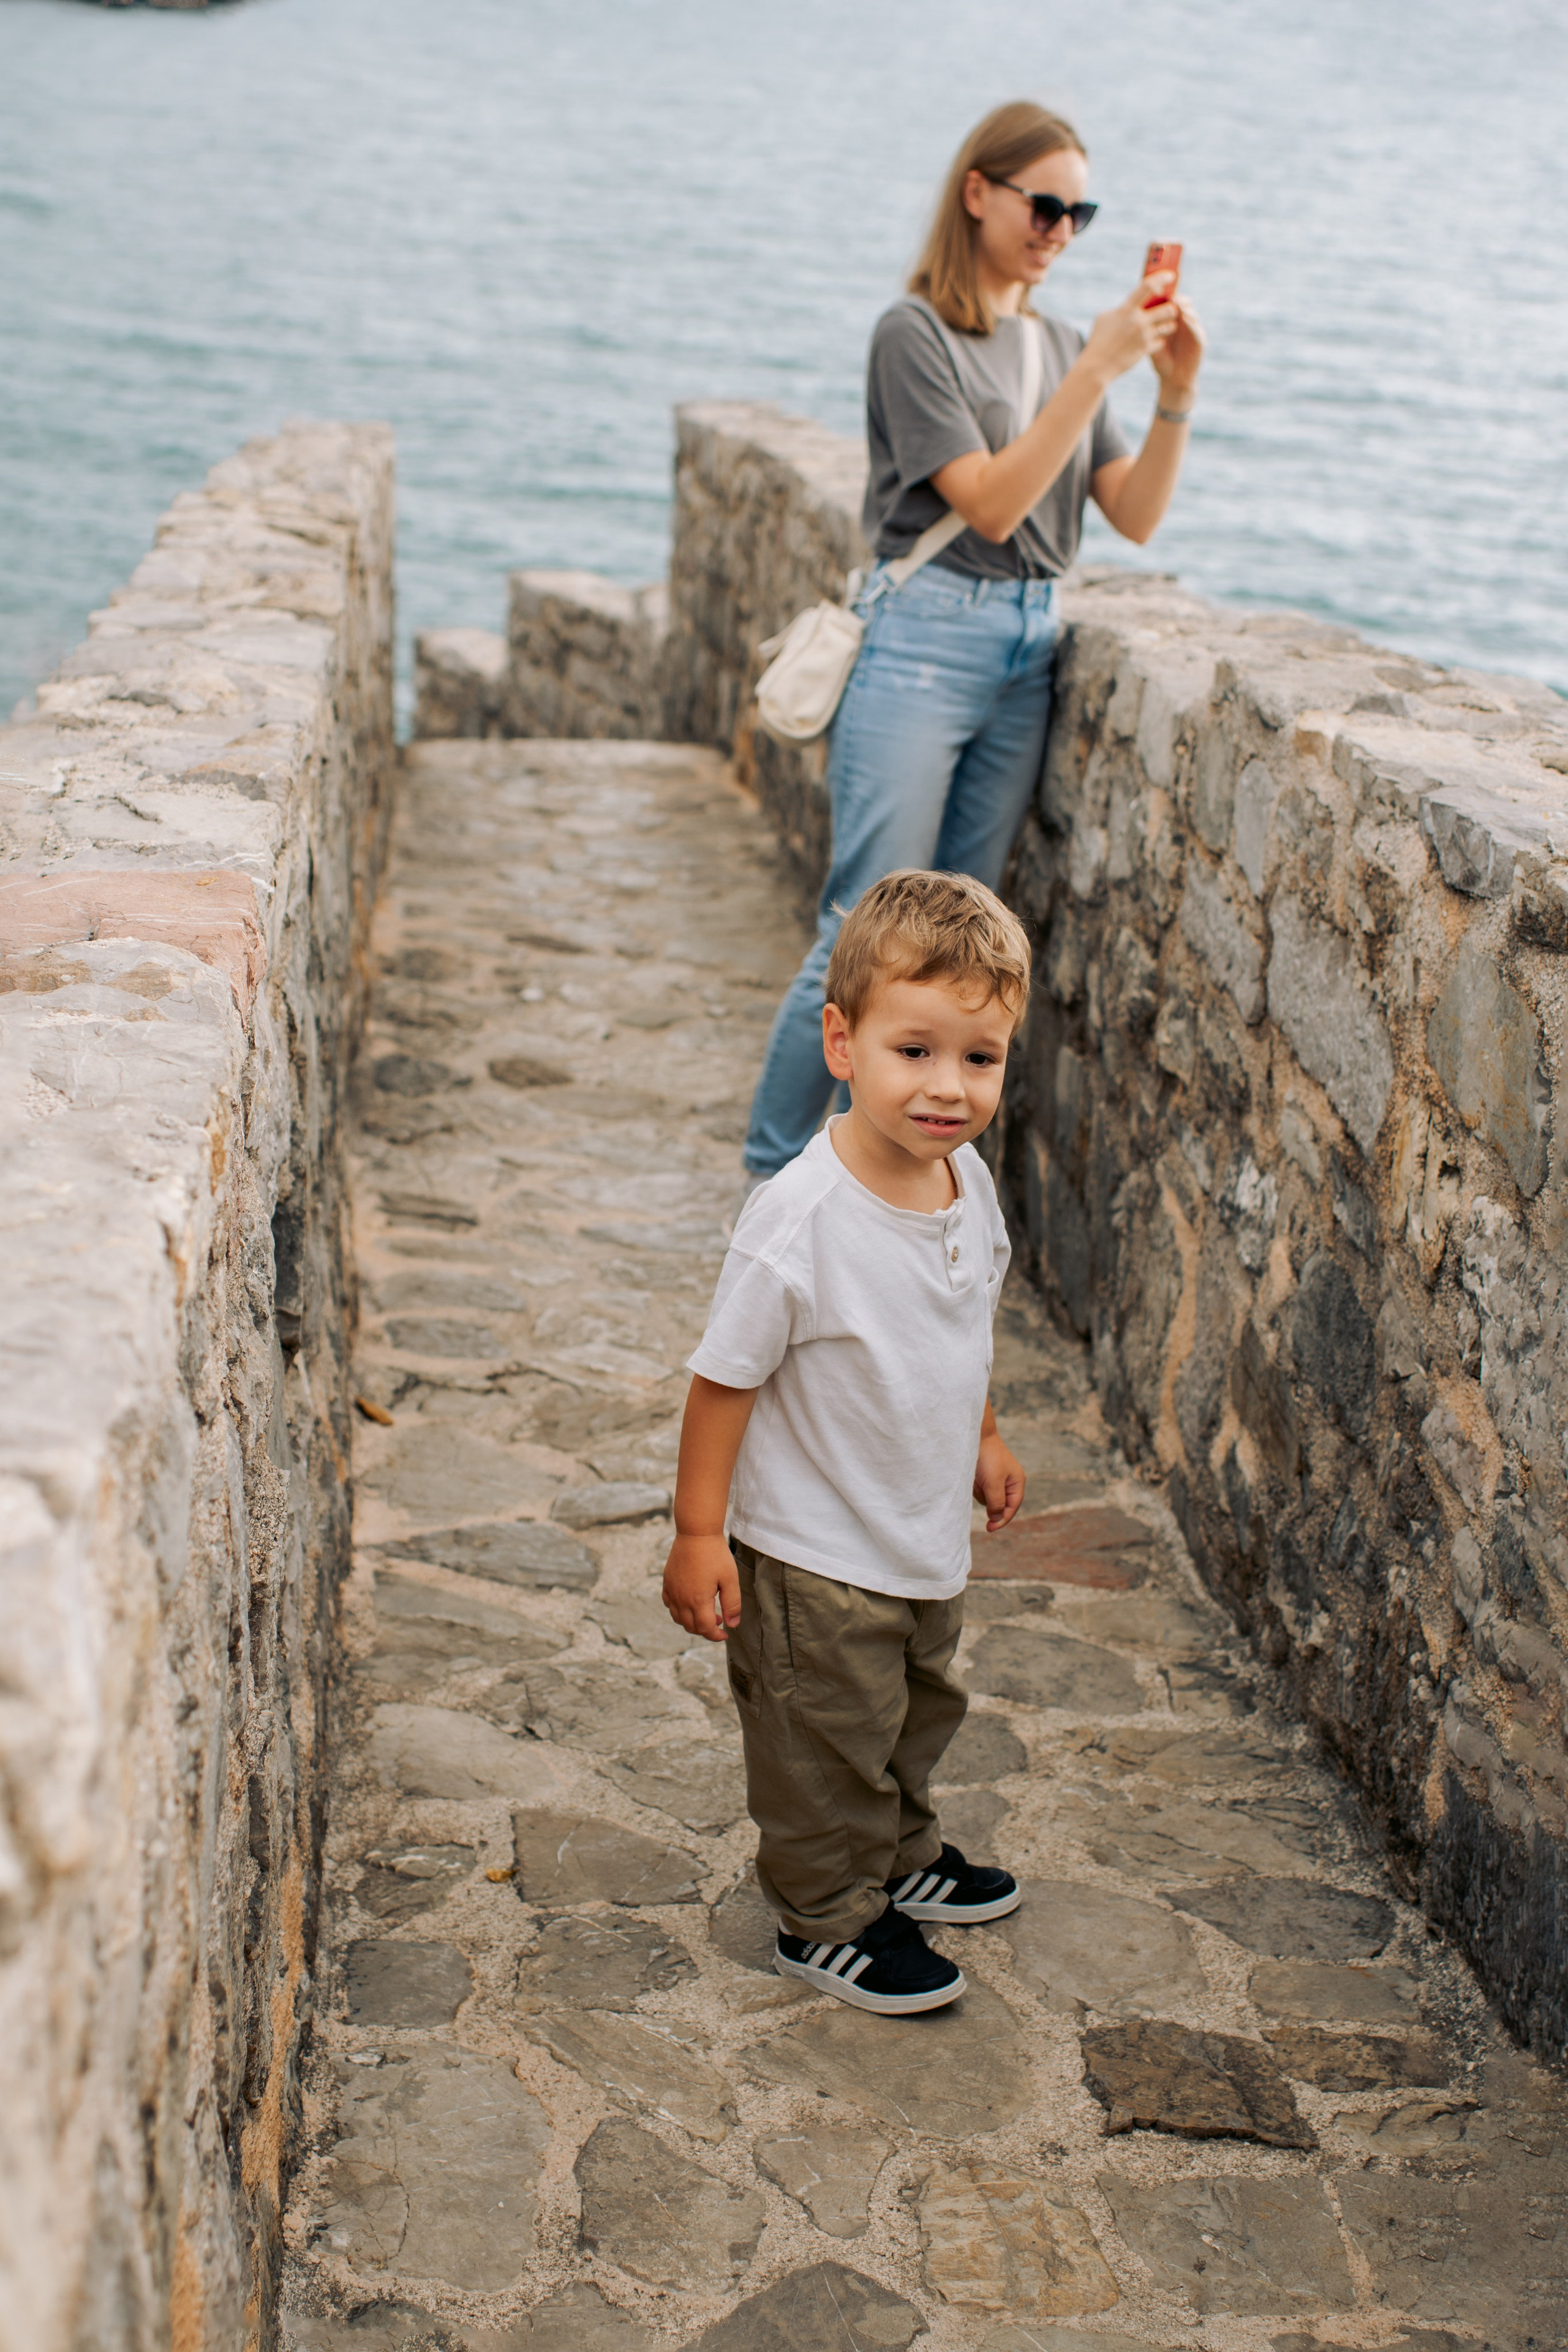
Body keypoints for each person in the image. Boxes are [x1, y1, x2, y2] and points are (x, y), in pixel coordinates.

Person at [742, 98, 1205, 1182]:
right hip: (924, 640)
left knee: (959, 946)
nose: (1060, 229)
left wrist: (1176, 395)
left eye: (1080, 213)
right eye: (1045, 204)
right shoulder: (917, 335)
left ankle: (882, 1178)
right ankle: (770, 1180)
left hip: (1027, 653)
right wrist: (1097, 372)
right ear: (979, 193)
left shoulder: (1052, 343)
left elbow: (1131, 514)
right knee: (860, 926)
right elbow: (990, 506)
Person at [663, 870, 1031, 2014]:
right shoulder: (802, 1222)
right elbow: (724, 1381)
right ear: (841, 1041)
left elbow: (961, 1319)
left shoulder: (963, 1181)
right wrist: (697, 1531)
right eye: (913, 1051)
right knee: (823, 1737)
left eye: (979, 1058)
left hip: (915, 1531)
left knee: (916, 1708)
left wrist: (981, 1431)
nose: (948, 1089)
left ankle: (902, 1851)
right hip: (815, 1554)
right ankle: (824, 1912)